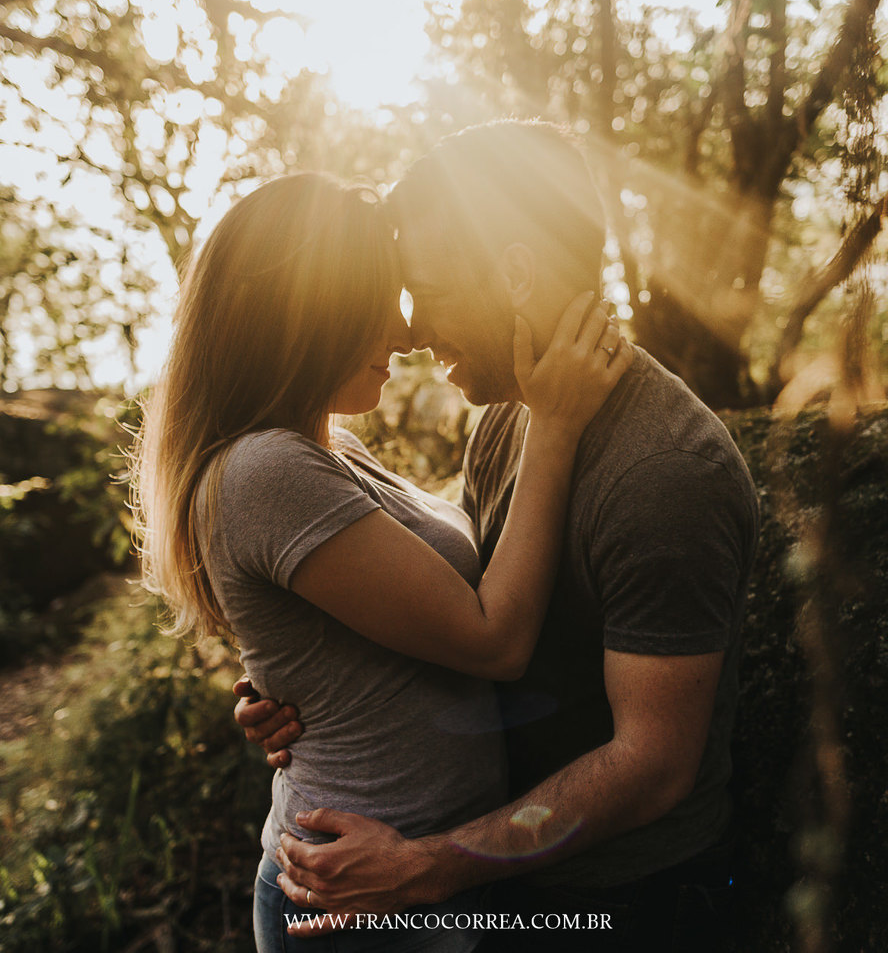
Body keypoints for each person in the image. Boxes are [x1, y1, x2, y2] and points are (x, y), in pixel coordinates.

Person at [236, 122, 760, 951]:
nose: (409, 328)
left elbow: (655, 765)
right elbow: (457, 598)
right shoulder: (513, 411)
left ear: (515, 274)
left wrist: (432, 866)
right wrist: (303, 680)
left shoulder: (664, 472)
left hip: (622, 905)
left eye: (426, 289)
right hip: (507, 880)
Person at [131, 171, 629, 953]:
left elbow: (381, 601)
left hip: (415, 873)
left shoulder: (330, 448)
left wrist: (293, 680)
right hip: (358, 898)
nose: (404, 335)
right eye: (379, 306)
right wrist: (556, 422)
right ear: (306, 314)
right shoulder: (266, 471)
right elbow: (494, 638)